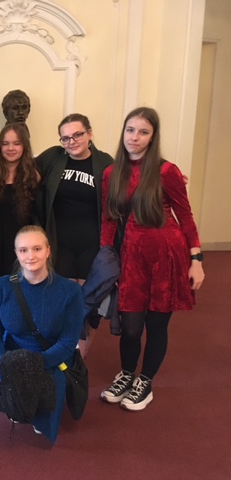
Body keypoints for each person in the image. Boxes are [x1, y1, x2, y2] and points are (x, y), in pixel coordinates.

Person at [99, 107, 205, 411]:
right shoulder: (111, 173)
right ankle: (126, 374)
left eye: (143, 132)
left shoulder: (167, 171)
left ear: (153, 137)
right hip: (131, 258)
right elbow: (108, 220)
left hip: (166, 257)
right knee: (131, 326)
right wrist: (106, 257)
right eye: (130, 130)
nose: (135, 137)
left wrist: (196, 259)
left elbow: (185, 217)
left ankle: (144, 382)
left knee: (156, 325)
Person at [0, 225, 83, 443]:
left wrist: (33, 367)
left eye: (37, 249)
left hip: (50, 357)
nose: (30, 256)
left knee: (42, 413)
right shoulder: (0, 286)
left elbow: (68, 342)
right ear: (16, 254)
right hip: (11, 355)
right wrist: (5, 368)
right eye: (23, 250)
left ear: (48, 251)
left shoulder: (70, 291)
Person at [36, 113, 114, 356]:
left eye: (77, 135)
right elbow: (21, 167)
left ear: (90, 133)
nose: (71, 142)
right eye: (65, 138)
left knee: (89, 303)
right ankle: (67, 354)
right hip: (61, 242)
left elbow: (131, 177)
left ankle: (81, 357)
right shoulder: (53, 157)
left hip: (92, 243)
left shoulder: (104, 162)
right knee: (66, 302)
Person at [0, 123, 40, 333]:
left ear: (24, 147)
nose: (10, 148)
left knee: (19, 295)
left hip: (21, 247)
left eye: (16, 143)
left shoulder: (33, 177)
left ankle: (16, 343)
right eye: (5, 144)